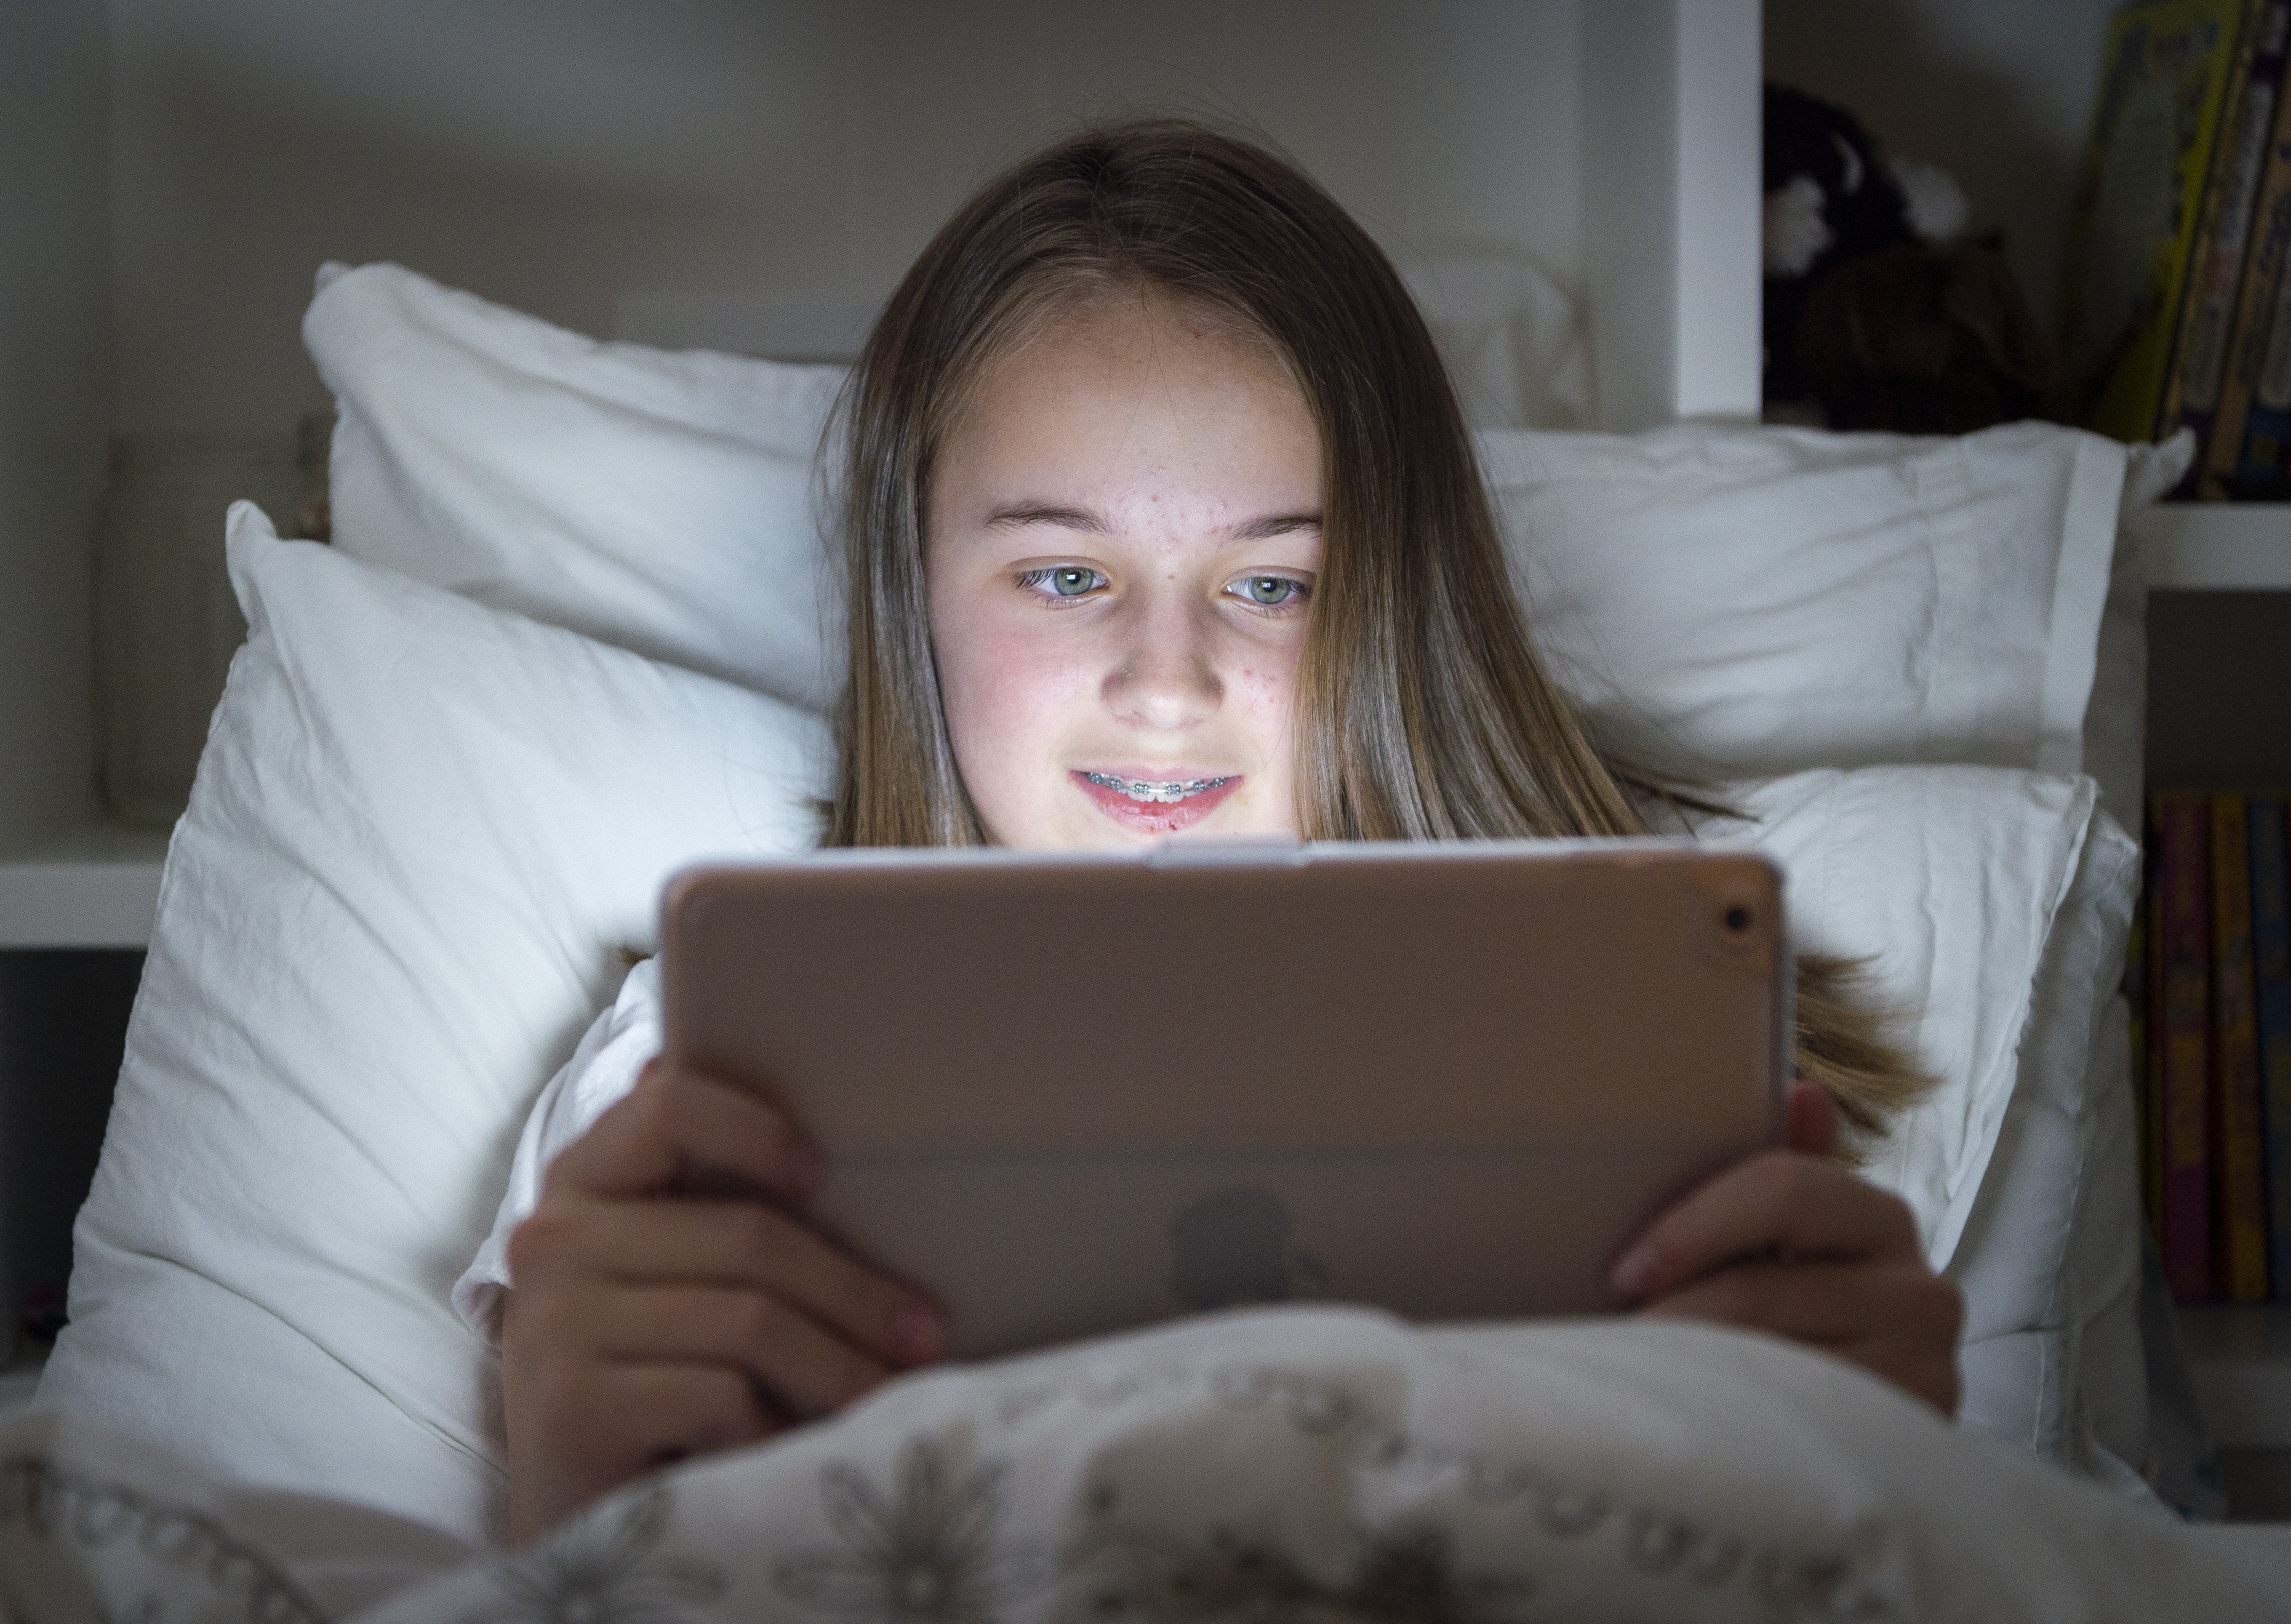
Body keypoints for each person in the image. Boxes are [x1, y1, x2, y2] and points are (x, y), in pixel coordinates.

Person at [463, 120, 1962, 1544]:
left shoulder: (1659, 1050)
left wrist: (1885, 1477)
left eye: (1273, 584)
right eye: (1063, 577)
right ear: (911, 595)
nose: (1165, 687)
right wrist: (568, 1494)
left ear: (1399, 608)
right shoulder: (695, 1071)